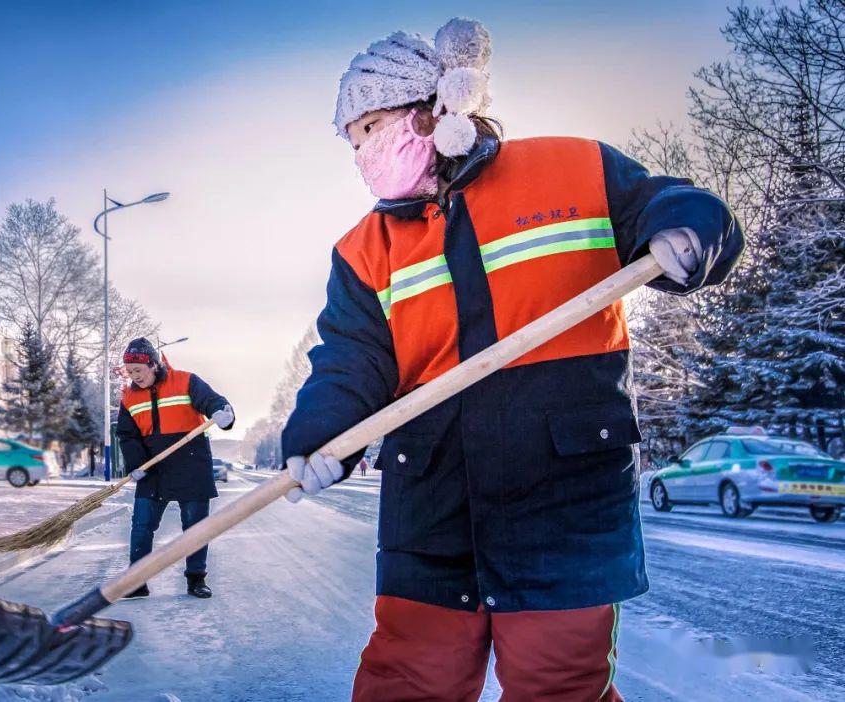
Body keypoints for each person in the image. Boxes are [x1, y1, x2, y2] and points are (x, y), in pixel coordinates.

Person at [279, 18, 743, 702]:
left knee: (559, 685)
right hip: (433, 498)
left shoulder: (574, 167)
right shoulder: (364, 249)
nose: (363, 155)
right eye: (354, 144)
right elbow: (349, 360)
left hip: (562, 494)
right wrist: (319, 437)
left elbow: (671, 204)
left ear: (428, 111)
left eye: (370, 130)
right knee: (408, 680)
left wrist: (690, 230)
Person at [116, 338, 235, 599]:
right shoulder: (129, 397)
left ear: (154, 365)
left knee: (195, 528)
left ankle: (196, 580)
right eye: (130, 372)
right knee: (142, 526)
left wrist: (223, 415)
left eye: (139, 370)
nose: (135, 377)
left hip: (190, 463)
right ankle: (136, 582)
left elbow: (213, 401)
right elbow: (127, 434)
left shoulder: (185, 381)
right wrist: (136, 464)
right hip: (153, 468)